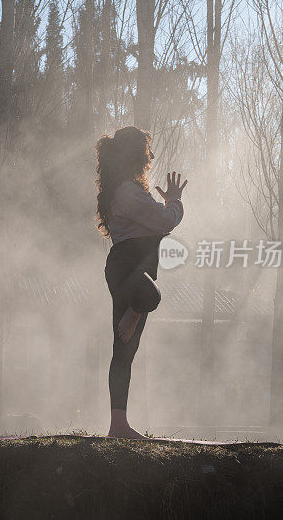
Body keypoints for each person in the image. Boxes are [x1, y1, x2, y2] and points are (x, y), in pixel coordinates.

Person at [95, 126, 187, 439]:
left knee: (125, 349)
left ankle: (117, 425)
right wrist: (174, 202)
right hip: (127, 266)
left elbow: (154, 225)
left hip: (131, 264)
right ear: (136, 155)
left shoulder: (127, 191)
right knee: (149, 297)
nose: (151, 157)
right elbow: (164, 221)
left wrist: (162, 206)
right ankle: (133, 312)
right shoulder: (126, 191)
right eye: (147, 150)